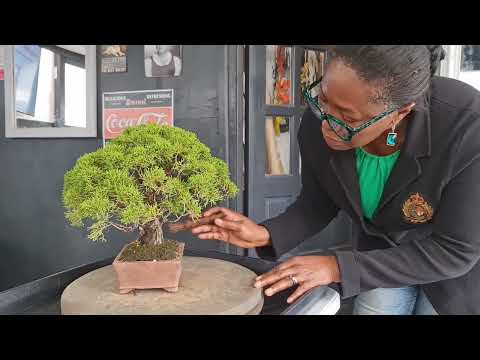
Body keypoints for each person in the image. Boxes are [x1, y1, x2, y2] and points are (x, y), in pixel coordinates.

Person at [191, 45, 480, 315]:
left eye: (347, 118)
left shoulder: (466, 127)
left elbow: (455, 249)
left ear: (400, 112)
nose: (327, 124)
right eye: (324, 100)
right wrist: (264, 233)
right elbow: (318, 203)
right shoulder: (320, 120)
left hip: (449, 267)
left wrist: (338, 267)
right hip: (377, 253)